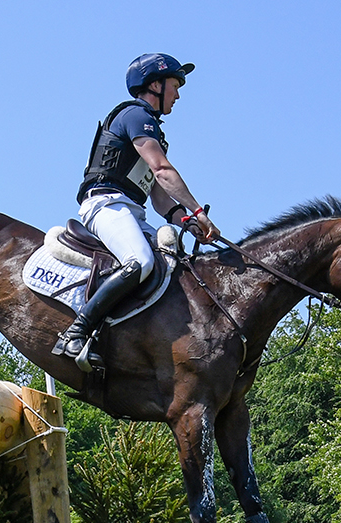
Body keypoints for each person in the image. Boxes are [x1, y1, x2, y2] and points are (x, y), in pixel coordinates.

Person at [56, 53, 219, 368]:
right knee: (140, 261)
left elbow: (159, 198)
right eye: (175, 85)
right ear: (155, 85)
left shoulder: (152, 130)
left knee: (174, 264)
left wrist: (186, 222)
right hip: (105, 203)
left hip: (132, 210)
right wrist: (197, 210)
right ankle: (76, 333)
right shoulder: (134, 115)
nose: (178, 93)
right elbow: (161, 171)